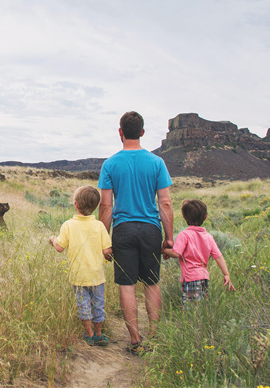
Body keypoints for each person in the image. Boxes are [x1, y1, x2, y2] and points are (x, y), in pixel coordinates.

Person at [98, 111, 174, 356]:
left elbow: (106, 205)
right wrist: (169, 238)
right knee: (151, 283)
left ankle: (135, 341)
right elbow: (165, 203)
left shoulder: (110, 164)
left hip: (123, 231)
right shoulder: (157, 163)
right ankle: (154, 336)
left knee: (127, 285)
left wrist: (104, 239)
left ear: (120, 132)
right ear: (142, 132)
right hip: (151, 230)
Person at [49, 186, 113, 346]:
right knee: (98, 304)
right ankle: (99, 334)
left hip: (78, 276)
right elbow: (107, 251)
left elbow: (59, 247)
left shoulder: (68, 225)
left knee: (83, 305)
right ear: (96, 206)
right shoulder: (99, 226)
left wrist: (53, 239)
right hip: (97, 275)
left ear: (76, 204)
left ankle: (89, 334)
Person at [162, 199, 235, 303]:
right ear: (205, 217)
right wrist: (226, 274)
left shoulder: (184, 235)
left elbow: (176, 253)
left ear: (184, 217)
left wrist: (164, 250)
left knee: (191, 308)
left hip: (190, 278)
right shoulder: (208, 237)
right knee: (202, 306)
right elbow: (218, 257)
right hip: (204, 277)